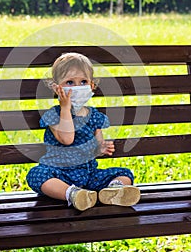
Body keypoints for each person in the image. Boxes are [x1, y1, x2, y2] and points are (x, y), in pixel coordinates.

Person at [26, 52, 140, 211]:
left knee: (125, 174)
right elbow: (67, 139)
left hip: (88, 175)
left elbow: (97, 146)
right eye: (70, 82)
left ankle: (112, 191)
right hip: (59, 174)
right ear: (56, 87)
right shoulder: (54, 115)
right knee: (36, 175)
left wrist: (101, 148)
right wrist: (65, 108)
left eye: (83, 82)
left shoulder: (94, 117)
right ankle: (73, 194)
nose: (77, 87)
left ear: (92, 86)